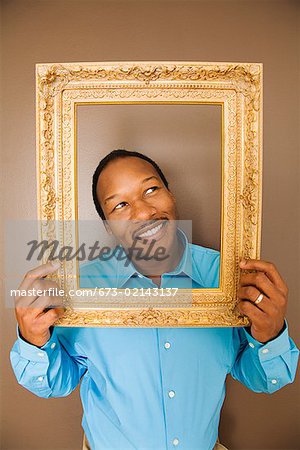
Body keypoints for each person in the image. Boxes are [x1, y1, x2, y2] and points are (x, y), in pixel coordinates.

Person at [10, 150, 299, 450]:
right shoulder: (79, 288)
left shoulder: (229, 278)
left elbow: (265, 379)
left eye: (151, 189)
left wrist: (270, 335)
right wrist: (33, 341)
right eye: (120, 205)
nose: (144, 212)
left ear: (171, 194)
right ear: (108, 226)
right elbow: (55, 383)